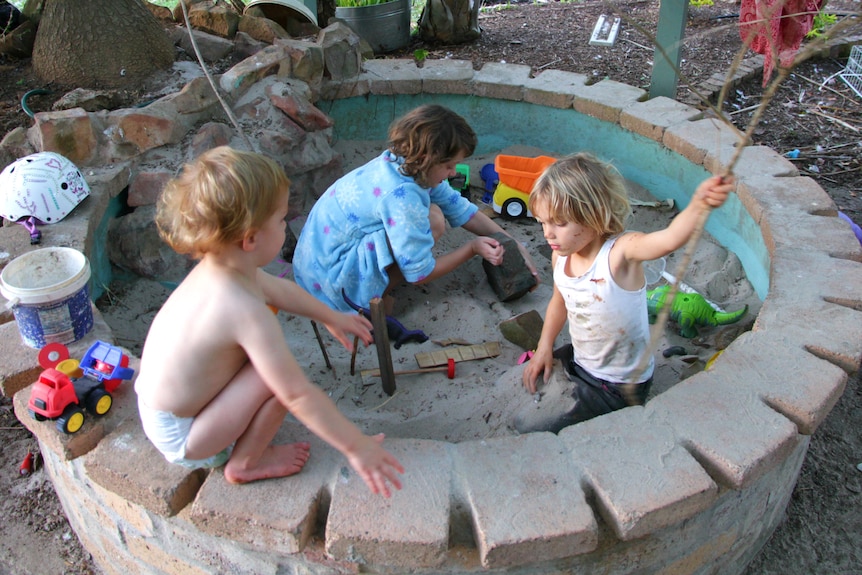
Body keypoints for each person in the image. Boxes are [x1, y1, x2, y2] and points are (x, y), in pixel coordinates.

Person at [135, 146, 404, 496]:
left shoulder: (223, 270)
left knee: (268, 370)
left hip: (165, 406)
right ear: (250, 239)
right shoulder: (243, 309)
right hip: (186, 435)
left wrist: (332, 316)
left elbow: (278, 290)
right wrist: (356, 446)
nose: (285, 225)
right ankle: (245, 463)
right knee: (278, 380)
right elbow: (297, 395)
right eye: (280, 220)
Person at [518, 152, 734, 434]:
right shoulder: (561, 257)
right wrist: (544, 346)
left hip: (618, 384)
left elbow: (668, 240)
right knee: (538, 369)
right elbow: (559, 302)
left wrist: (698, 204)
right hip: (583, 359)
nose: (548, 234)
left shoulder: (621, 253)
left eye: (560, 223)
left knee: (541, 429)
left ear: (592, 215)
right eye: (542, 222)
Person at [293, 104, 538, 315]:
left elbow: (462, 209)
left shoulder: (402, 163)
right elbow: (420, 274)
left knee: (432, 214)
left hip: (313, 266)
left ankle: (373, 284)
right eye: (449, 166)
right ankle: (368, 300)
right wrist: (471, 249)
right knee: (432, 221)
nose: (453, 173)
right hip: (332, 287)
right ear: (426, 159)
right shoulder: (402, 197)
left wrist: (512, 242)